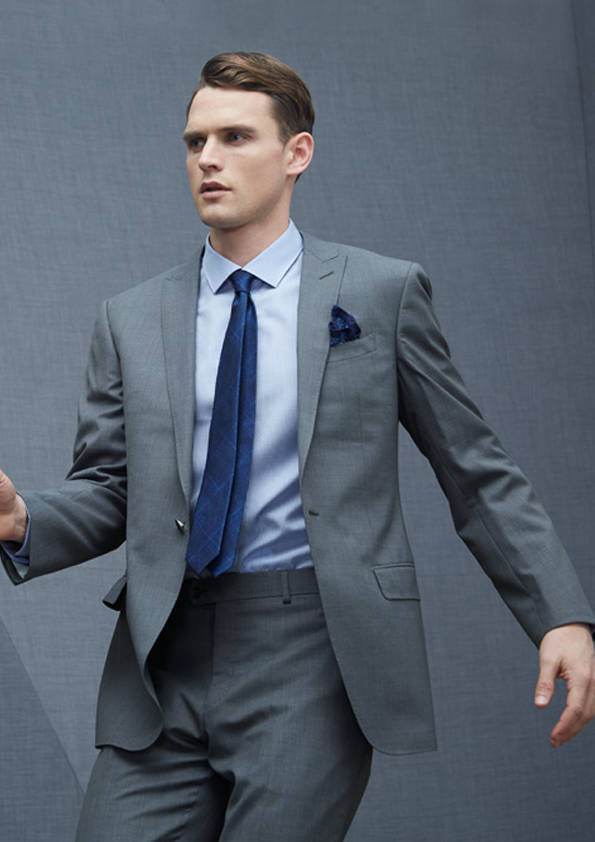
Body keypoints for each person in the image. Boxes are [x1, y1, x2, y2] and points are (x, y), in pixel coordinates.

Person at [1, 51, 594, 842]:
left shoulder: (379, 293)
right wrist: (21, 520)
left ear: (296, 153)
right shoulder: (131, 318)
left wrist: (559, 616)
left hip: (314, 652)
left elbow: (477, 473)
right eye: (194, 141)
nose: (207, 158)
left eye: (234, 136)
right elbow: (113, 489)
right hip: (163, 658)